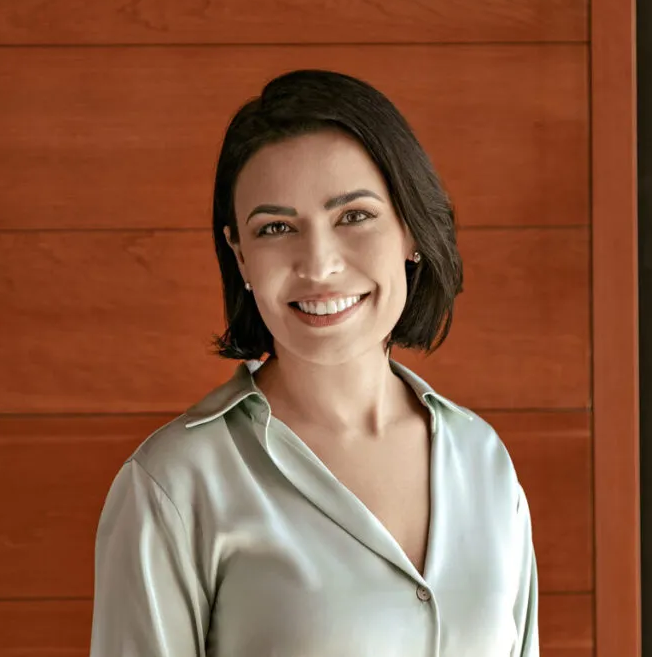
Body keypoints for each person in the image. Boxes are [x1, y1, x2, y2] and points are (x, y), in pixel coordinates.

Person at [89, 69, 539, 657]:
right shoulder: (175, 486)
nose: (319, 263)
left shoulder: (483, 459)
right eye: (276, 228)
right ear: (241, 256)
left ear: (411, 230)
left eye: (353, 216)